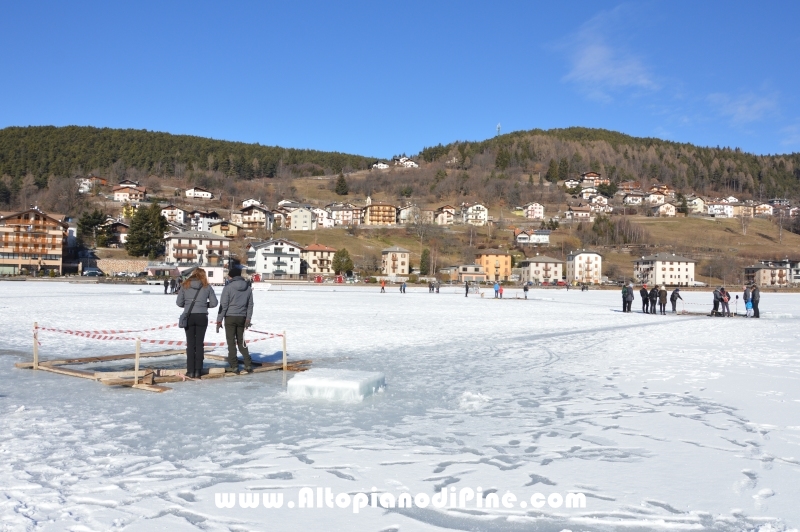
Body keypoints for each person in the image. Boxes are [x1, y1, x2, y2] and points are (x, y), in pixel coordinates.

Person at [177, 268, 218, 379]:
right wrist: (203, 306)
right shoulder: (207, 287)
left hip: (189, 316)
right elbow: (214, 303)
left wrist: (188, 306)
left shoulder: (185, 286)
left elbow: (179, 303)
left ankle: (190, 370)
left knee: (190, 344)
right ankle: (198, 371)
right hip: (202, 317)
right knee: (199, 344)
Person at [216, 267, 254, 374]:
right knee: (242, 342)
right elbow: (250, 305)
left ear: (232, 276)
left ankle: (234, 366)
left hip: (230, 318)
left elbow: (223, 306)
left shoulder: (228, 287)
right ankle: (248, 364)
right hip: (242, 318)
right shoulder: (248, 288)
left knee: (231, 343)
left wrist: (219, 320)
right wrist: (248, 319)